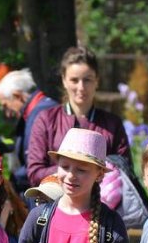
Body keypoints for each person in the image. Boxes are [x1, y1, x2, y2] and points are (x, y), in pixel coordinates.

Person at [25, 47, 131, 187]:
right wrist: (73, 170)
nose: (81, 87)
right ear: (64, 80)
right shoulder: (46, 120)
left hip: (101, 199)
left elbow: (125, 171)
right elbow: (34, 173)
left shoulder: (112, 124)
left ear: (97, 81)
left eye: (87, 80)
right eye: (74, 80)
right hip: (55, 199)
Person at [0, 69, 58, 191]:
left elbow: (37, 162)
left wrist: (13, 182)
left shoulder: (41, 113)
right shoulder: (42, 108)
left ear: (17, 96)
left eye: (5, 106)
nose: (7, 114)